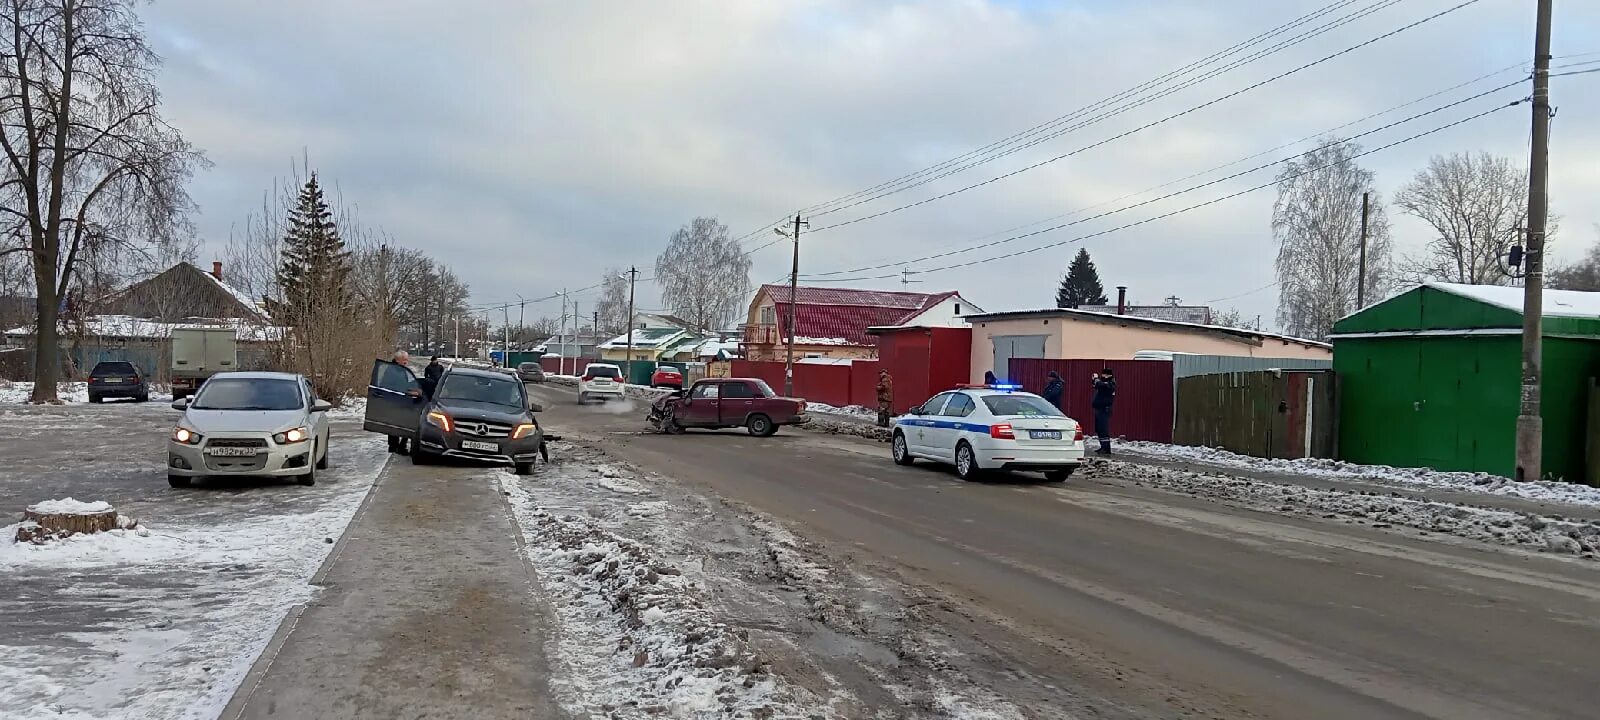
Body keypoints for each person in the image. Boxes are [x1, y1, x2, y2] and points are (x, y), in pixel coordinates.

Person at [1091, 367, 1117, 455]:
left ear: (1108, 375)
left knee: (1103, 429)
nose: (1102, 376)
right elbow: (1096, 385)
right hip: (1099, 409)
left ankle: (1106, 449)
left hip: (1104, 409)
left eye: (1104, 374)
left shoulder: (1111, 384)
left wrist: (1096, 379)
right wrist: (1094, 380)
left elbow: (1100, 385)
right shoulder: (1105, 383)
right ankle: (1103, 447)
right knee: (1099, 429)